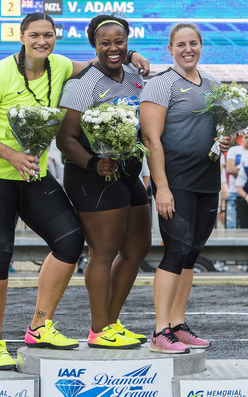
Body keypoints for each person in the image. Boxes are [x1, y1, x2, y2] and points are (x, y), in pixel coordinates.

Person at [0, 12, 150, 369]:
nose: (42, 42)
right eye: (35, 35)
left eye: (48, 35)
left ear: (55, 38)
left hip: (32, 173)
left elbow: (102, 57)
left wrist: (132, 55)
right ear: (21, 37)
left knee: (68, 241)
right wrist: (11, 155)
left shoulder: (59, 65)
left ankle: (39, 325)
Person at [56, 15, 151, 349]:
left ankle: (111, 321)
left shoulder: (136, 75)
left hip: (127, 171)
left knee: (138, 247)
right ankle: (98, 329)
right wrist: (94, 164)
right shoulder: (83, 83)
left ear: (127, 41)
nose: (113, 48)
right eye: (105, 43)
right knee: (103, 252)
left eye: (119, 41)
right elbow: (65, 138)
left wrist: (134, 55)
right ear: (93, 45)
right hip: (91, 175)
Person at [140, 23, 231, 353]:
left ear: (201, 46)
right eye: (181, 44)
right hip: (175, 182)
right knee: (175, 252)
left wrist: (227, 140)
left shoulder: (213, 84)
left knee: (191, 254)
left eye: (193, 43)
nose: (187, 49)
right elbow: (151, 140)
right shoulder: (160, 85)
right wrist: (161, 187)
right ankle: (159, 331)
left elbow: (219, 131)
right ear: (170, 48)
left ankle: (177, 325)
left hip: (207, 181)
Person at [225, 132, 248, 228]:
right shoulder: (234, 150)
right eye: (246, 137)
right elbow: (229, 169)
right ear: (242, 139)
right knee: (231, 222)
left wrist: (238, 170)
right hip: (234, 191)